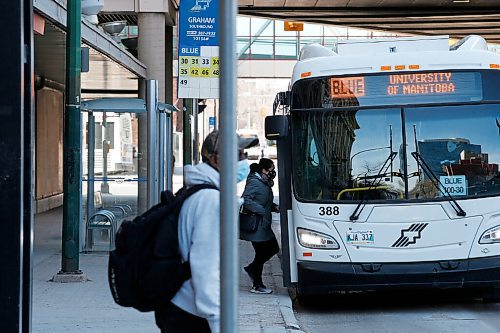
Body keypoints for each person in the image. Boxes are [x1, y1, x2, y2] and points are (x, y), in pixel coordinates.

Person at [155, 130, 258, 333]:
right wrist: (220, 322)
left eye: (244, 155)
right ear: (217, 160)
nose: (244, 161)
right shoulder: (212, 201)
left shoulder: (198, 191)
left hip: (181, 307)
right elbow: (206, 267)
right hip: (193, 314)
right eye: (239, 155)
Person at [240, 158, 280, 294]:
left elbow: (264, 201)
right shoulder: (255, 182)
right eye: (270, 170)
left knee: (269, 249)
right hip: (256, 225)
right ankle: (257, 283)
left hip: (263, 225)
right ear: (263, 170)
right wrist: (262, 210)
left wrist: (274, 207)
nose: (272, 173)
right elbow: (245, 200)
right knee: (265, 251)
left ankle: (254, 275)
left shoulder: (264, 183)